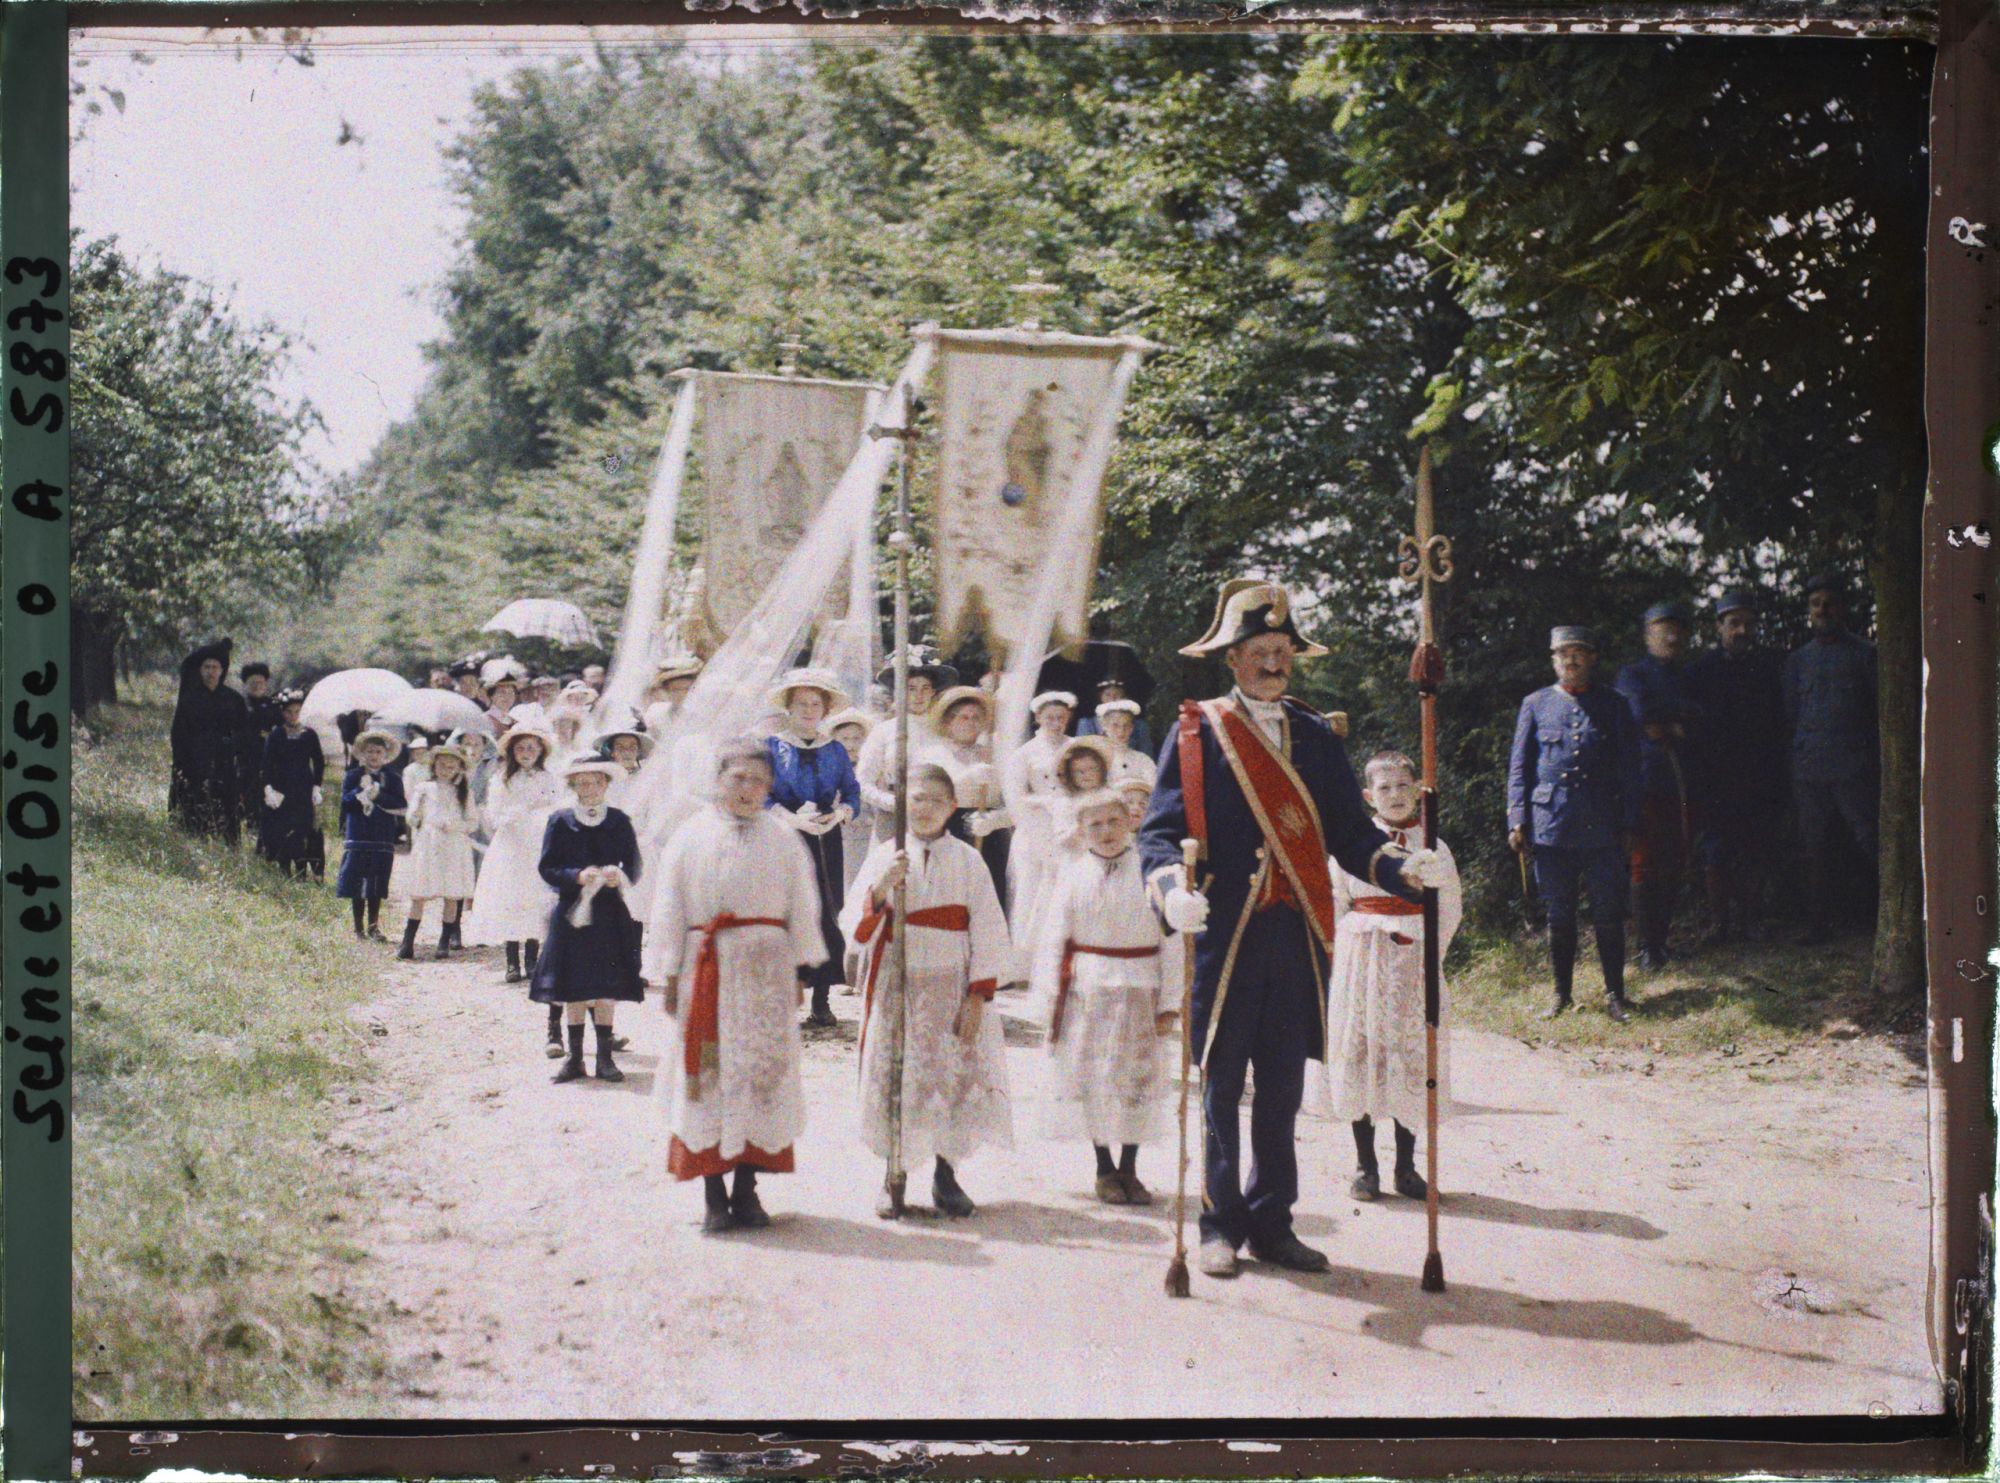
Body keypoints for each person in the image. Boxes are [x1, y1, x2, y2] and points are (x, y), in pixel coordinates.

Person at [1138, 579, 1447, 1278]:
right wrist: (1169, 892)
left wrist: (1403, 867)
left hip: (1296, 934)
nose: (1274, 662)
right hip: (1224, 935)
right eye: (1260, 650)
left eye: (1283, 650)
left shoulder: (1312, 734)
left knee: (1281, 1089)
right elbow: (1158, 837)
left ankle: (1273, 1221)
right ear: (1233, 658)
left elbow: (1348, 831)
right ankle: (1219, 1224)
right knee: (1220, 1087)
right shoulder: (1195, 732)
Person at [648, 740, 827, 1233]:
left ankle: (748, 1188)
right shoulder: (690, 836)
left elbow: (801, 906)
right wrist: (668, 972)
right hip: (706, 969)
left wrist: (798, 969)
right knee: (707, 1072)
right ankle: (713, 1193)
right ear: (719, 780)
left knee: (759, 1070)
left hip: (766, 969)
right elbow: (668, 907)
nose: (749, 790)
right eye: (739, 779)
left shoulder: (783, 839)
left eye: (759, 781)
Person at [842, 764, 1014, 1219]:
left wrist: (978, 995)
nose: (925, 809)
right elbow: (853, 925)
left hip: (950, 981)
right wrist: (882, 889)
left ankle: (945, 1173)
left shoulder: (969, 860)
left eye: (937, 800)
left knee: (948, 1074)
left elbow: (990, 929)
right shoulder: (885, 854)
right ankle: (893, 1174)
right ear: (903, 804)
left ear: (952, 807)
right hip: (898, 982)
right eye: (917, 799)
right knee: (898, 1073)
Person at [1318, 751, 1463, 1202]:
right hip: (1362, 952)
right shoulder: (1353, 845)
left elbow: (1450, 907)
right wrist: (1346, 953)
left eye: (1403, 786)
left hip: (1415, 953)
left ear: (1417, 789)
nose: (1396, 796)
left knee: (1409, 1053)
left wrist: (1430, 952)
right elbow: (1335, 903)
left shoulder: (1433, 845)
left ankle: (1406, 1165)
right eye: (1385, 788)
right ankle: (1366, 1166)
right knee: (1361, 1051)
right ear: (1368, 796)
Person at [1033, 788, 1184, 1205]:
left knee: (1136, 1079)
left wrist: (1170, 1002)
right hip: (1089, 988)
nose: (1105, 832)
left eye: (1113, 821)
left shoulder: (1153, 873)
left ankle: (1130, 1168)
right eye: (1094, 824)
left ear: (1130, 821)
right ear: (1080, 831)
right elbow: (1053, 939)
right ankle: (1103, 1167)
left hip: (1140, 986)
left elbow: (1173, 942)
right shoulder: (1072, 873)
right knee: (1094, 1078)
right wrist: (1051, 998)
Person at [1508, 625, 1643, 1023]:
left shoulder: (1614, 705)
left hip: (1603, 825)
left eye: (1578, 652)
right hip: (1551, 827)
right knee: (1559, 915)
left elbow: (1631, 769)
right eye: (1563, 653)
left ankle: (1616, 995)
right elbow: (1519, 769)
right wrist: (1517, 818)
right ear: (1553, 660)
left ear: (1592, 658)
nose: (1571, 659)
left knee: (1608, 912)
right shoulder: (1535, 704)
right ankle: (1561, 995)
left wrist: (1631, 821)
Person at [532, 757, 645, 1085]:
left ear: (606, 784)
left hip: (609, 910)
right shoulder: (561, 820)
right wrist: (576, 875)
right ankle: (575, 1057)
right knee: (573, 984)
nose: (590, 789)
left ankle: (605, 1059)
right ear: (573, 787)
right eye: (582, 783)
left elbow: (635, 866)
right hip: (572, 911)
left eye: (596, 782)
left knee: (606, 983)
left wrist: (618, 875)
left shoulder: (620, 821)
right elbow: (547, 867)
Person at [1684, 588, 1788, 941]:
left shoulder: (1768, 669)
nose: (1741, 630)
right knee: (1716, 852)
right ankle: (1719, 923)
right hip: (1715, 779)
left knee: (1755, 849)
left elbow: (1779, 723)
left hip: (1759, 776)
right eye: (1733, 623)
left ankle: (1752, 920)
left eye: (1748, 623)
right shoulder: (1699, 672)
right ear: (1719, 627)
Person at [1782, 571, 1879, 943]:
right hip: (1810, 770)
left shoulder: (1865, 655)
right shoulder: (1797, 661)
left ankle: (1879, 922)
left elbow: (1876, 714)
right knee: (1815, 848)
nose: (1822, 609)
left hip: (1855, 768)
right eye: (1815, 604)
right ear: (1809, 610)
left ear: (1843, 608)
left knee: (1869, 842)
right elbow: (1792, 714)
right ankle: (1818, 925)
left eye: (1829, 603)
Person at [764, 668, 861, 1030]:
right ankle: (784, 998)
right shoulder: (772, 747)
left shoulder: (834, 749)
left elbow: (852, 791)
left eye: (815, 703)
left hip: (824, 838)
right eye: (801, 703)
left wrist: (838, 814)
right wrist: (790, 819)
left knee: (823, 912)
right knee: (784, 913)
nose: (808, 709)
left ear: (825, 709)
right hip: (783, 836)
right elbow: (763, 794)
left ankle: (821, 1000)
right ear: (789, 707)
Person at [1614, 600, 1702, 969]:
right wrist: (1672, 724)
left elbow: (1700, 715)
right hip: (1645, 781)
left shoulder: (1691, 676)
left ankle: (1662, 939)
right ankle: (1647, 946)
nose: (1670, 635)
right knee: (1644, 862)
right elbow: (1637, 714)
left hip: (1683, 781)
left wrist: (1672, 723)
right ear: (1647, 634)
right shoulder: (1633, 674)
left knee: (1674, 861)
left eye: (1676, 629)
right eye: (1661, 628)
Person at [464, 725, 563, 1021]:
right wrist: (514, 814)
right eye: (521, 749)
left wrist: (539, 815)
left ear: (541, 751)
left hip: (536, 844)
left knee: (534, 895)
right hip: (511, 844)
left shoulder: (548, 778)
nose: (526, 754)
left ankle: (533, 959)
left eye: (532, 748)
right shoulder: (502, 780)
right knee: (510, 894)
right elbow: (494, 815)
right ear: (512, 752)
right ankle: (512, 960)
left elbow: (555, 807)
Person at [855, 645, 958, 844]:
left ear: (933, 692)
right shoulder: (884, 731)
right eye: (911, 689)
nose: (918, 696)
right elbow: (862, 782)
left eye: (925, 688)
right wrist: (892, 802)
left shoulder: (944, 730)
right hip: (894, 816)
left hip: (936, 816)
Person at [1001, 690, 1076, 948]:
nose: (1056, 723)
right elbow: (1014, 798)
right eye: (1050, 717)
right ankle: (1025, 958)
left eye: (1062, 718)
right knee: (1030, 891)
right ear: (1038, 718)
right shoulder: (1025, 753)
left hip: (1068, 827)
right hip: (1035, 828)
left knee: (1065, 890)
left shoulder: (1075, 748)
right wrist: (1043, 803)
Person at [928, 685, 1012, 913]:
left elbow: (1016, 803)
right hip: (947, 831)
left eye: (976, 717)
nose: (970, 722)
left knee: (989, 902)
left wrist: (996, 819)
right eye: (963, 716)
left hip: (989, 834)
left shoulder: (996, 753)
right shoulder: (934, 754)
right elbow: (929, 797)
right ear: (948, 721)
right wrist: (966, 778)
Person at [395, 743, 479, 961]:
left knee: (451, 894)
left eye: (451, 767)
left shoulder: (464, 792)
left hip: (453, 845)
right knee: (420, 893)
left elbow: (473, 823)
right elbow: (411, 818)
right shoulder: (424, 788)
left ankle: (444, 941)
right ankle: (408, 941)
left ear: (459, 769)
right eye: (442, 765)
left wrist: (455, 825)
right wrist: (417, 814)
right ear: (434, 766)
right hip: (429, 844)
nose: (446, 770)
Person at [168, 638, 250, 844]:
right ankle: (195, 845)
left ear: (222, 670)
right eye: (207, 667)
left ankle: (228, 849)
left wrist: (236, 754)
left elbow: (244, 732)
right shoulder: (190, 700)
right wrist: (183, 764)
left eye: (215, 667)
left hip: (225, 765)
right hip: (196, 763)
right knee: (195, 809)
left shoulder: (233, 699)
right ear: (200, 669)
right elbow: (178, 735)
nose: (211, 671)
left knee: (226, 811)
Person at [337, 729, 408, 941]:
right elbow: (346, 803)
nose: (374, 756)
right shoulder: (353, 776)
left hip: (381, 836)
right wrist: (360, 792)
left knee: (377, 881)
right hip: (359, 834)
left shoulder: (393, 778)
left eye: (378, 752)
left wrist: (378, 794)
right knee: (357, 883)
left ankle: (374, 926)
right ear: (362, 754)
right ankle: (358, 928)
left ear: (385, 755)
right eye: (369, 751)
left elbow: (401, 805)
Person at [257, 688, 325, 879]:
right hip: (282, 789)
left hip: (303, 788)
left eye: (297, 711)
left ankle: (303, 871)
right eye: (289, 711)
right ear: (282, 713)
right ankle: (284, 869)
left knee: (304, 828)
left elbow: (318, 761)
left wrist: (316, 787)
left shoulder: (309, 734)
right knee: (283, 828)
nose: (293, 716)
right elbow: (267, 763)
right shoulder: (276, 734)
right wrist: (268, 787)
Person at [827, 707, 876, 896]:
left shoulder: (869, 768)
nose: (851, 744)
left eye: (856, 739)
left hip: (867, 833)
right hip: (838, 834)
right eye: (845, 739)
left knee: (863, 884)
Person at [1075, 678, 1154, 756]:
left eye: (1117, 695)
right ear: (1100, 697)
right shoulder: (1087, 724)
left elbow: (1147, 756)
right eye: (1108, 695)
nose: (1112, 699)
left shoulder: (1140, 727)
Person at [1093, 699, 1157, 790]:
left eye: (1126, 726)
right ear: (1104, 726)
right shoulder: (1096, 759)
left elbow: (1153, 790)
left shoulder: (1143, 760)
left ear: (1131, 728)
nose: (1121, 731)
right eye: (1115, 725)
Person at [642, 656, 704, 736]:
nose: (682, 695)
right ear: (667, 691)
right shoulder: (656, 713)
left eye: (687, 689)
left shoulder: (703, 714)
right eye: (676, 690)